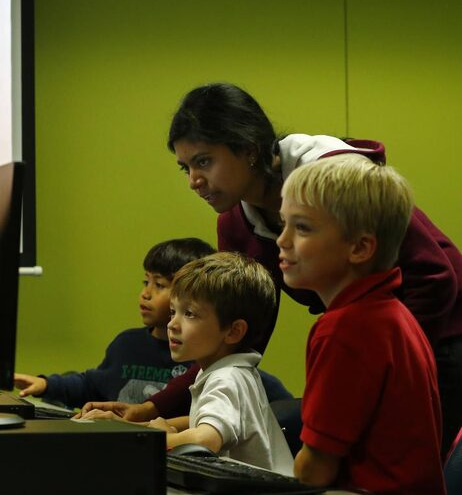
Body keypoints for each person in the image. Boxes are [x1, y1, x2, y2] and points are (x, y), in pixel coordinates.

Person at [81, 82, 462, 457]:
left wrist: (382, 364)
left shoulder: (333, 177)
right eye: (186, 168)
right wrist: (153, 409)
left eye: (204, 161)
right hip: (375, 346)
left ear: (248, 149)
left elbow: (436, 277)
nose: (194, 181)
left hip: (443, 333)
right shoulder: (235, 223)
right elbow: (233, 337)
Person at [279, 154, 445, 492]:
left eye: (302, 227)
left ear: (360, 248)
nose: (282, 240)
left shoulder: (346, 329)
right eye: (283, 223)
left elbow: (316, 470)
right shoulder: (392, 315)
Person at [85, 252, 294, 475]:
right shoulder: (226, 370)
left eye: (190, 314)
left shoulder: (227, 379)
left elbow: (205, 440)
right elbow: (201, 421)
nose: (172, 324)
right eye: (174, 312)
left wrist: (161, 437)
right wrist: (128, 428)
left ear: (233, 331)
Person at [13, 238, 215, 409]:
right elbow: (91, 385)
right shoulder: (127, 344)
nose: (145, 294)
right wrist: (46, 384)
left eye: (159, 285)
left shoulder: (201, 357)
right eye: (146, 282)